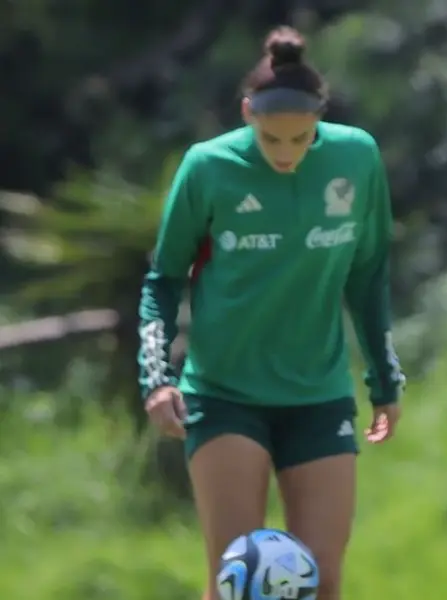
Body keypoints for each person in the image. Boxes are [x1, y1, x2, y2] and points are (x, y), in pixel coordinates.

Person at [137, 25, 405, 600]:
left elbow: (368, 274)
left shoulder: (356, 158)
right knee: (240, 579)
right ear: (247, 115)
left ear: (321, 122)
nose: (285, 155)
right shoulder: (207, 168)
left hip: (319, 397)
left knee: (322, 583)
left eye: (300, 140)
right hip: (225, 396)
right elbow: (162, 279)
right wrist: (157, 381)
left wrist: (384, 380)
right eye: (271, 140)